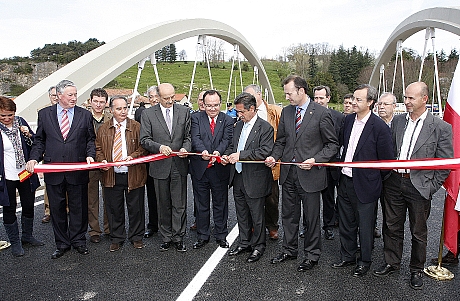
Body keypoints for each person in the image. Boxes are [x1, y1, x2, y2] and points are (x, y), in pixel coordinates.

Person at [373, 81, 453, 290]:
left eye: (411, 98)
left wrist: (430, 186)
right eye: (405, 97)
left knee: (418, 231)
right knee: (391, 226)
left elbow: (444, 164)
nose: (406, 101)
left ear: (424, 99)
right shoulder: (398, 122)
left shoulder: (441, 127)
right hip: (394, 183)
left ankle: (416, 269)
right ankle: (392, 262)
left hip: (419, 186)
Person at [266, 75, 338, 272]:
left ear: (301, 91)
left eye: (289, 93)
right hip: (289, 174)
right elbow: (281, 141)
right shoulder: (287, 112)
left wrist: (316, 160)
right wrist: (274, 157)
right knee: (289, 215)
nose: (287, 96)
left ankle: (312, 255)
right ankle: (289, 250)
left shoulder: (322, 113)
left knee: (311, 218)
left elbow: (332, 145)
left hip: (311, 176)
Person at [26, 79, 96, 259]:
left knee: (78, 207)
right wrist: (34, 158)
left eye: (75, 94)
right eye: (70, 95)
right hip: (54, 169)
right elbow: (39, 140)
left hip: (77, 168)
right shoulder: (44, 114)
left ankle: (79, 241)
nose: (74, 98)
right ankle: (62, 243)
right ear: (59, 96)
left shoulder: (84, 115)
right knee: (57, 208)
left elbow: (90, 139)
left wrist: (90, 155)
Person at [331, 84, 393, 277]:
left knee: (365, 226)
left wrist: (372, 179)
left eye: (358, 100)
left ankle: (364, 260)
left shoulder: (379, 127)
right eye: (353, 99)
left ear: (370, 102)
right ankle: (347, 255)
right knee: (346, 222)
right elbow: (343, 146)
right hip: (345, 180)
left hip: (366, 184)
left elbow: (386, 161)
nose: (353, 102)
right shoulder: (348, 121)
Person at [222, 92, 274, 263]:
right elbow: (232, 146)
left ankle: (259, 246)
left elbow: (264, 151)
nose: (239, 115)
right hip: (237, 176)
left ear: (252, 109)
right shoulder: (238, 126)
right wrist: (227, 155)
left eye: (241, 112)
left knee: (257, 215)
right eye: (237, 112)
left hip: (256, 179)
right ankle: (244, 242)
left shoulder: (265, 128)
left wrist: (240, 155)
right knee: (242, 213)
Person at [140, 83, 191, 252]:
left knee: (179, 204)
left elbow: (188, 137)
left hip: (179, 164)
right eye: (166, 98)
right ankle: (166, 237)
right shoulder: (148, 114)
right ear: (158, 97)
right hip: (160, 165)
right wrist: (159, 147)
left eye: (172, 97)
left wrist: (186, 148)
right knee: (163, 204)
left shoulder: (184, 111)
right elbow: (145, 139)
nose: (170, 101)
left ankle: (178, 237)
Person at [96, 96, 147, 252]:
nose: (123, 111)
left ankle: (136, 237)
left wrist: (133, 157)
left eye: (125, 108)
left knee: (136, 208)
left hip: (133, 174)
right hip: (111, 175)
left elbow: (144, 146)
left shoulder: (137, 126)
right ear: (111, 110)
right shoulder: (103, 129)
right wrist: (102, 160)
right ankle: (116, 238)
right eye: (119, 108)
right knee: (114, 208)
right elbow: (98, 148)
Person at [189, 90, 234, 249]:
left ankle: (221, 235)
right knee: (201, 204)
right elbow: (195, 138)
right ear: (203, 104)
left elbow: (227, 140)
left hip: (219, 169)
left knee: (220, 203)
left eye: (215, 105)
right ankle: (203, 235)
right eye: (209, 105)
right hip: (200, 169)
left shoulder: (228, 120)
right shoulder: (195, 118)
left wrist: (218, 153)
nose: (212, 109)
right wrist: (203, 152)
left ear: (220, 104)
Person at [0, 96, 44, 257]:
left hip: (25, 172)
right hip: (6, 175)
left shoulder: (21, 122)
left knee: (28, 203)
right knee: (9, 207)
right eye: (3, 116)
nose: (7, 119)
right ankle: (15, 243)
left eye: (9, 115)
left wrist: (29, 135)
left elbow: (35, 142)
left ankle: (27, 235)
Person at [244, 84, 282, 240]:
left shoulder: (275, 112)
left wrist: (275, 157)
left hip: (270, 162)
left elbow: (281, 138)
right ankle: (254, 224)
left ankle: (272, 226)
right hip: (251, 162)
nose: (248, 99)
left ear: (259, 94)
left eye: (251, 96)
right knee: (251, 197)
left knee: (271, 197)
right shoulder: (243, 112)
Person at [312, 85, 344, 240]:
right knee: (309, 199)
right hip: (311, 164)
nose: (318, 101)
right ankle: (308, 226)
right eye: (316, 98)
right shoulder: (307, 115)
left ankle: (328, 226)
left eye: (321, 98)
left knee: (329, 198)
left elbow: (339, 141)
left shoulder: (338, 117)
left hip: (331, 164)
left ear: (328, 98)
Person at [87, 88, 111, 243]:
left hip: (108, 163)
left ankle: (109, 228)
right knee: (91, 199)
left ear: (106, 103)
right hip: (90, 163)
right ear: (90, 101)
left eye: (102, 102)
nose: (98, 105)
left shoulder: (111, 118)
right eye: (95, 101)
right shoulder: (83, 117)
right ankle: (94, 230)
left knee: (110, 197)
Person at [40, 86, 59, 223]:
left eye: (58, 95)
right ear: (49, 97)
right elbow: (40, 137)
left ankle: (66, 208)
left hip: (67, 155)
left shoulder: (72, 112)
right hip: (50, 155)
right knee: (50, 185)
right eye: (53, 96)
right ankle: (48, 210)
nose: (56, 98)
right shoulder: (44, 112)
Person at [143, 85, 159, 238]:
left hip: (168, 161)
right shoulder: (143, 114)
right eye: (151, 97)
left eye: (156, 96)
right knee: (152, 195)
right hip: (150, 161)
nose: (154, 99)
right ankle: (153, 225)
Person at [189, 90, 206, 231]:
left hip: (215, 164)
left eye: (204, 99)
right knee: (199, 197)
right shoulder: (192, 117)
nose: (202, 102)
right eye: (200, 99)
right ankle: (198, 220)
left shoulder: (221, 118)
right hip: (197, 164)